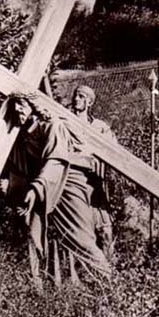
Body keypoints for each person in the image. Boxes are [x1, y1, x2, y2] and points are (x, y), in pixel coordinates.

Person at [4, 90, 112, 288]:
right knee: (33, 233)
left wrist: (36, 188)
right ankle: (40, 289)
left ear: (33, 106)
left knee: (81, 238)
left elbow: (57, 160)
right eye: (14, 105)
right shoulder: (22, 135)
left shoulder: (54, 125)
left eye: (21, 104)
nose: (17, 109)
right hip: (44, 186)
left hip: (68, 182)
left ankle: (109, 284)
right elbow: (19, 167)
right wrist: (21, 193)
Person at [68, 85, 116, 261]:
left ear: (90, 102)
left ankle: (110, 269)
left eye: (81, 96)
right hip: (74, 183)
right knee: (81, 231)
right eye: (75, 95)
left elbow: (113, 150)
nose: (76, 99)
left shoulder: (99, 127)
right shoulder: (66, 121)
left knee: (106, 230)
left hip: (95, 182)